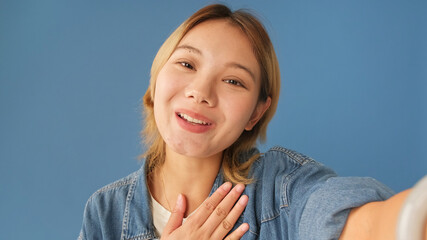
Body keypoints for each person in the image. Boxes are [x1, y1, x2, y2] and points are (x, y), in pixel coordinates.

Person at [78, 4, 425, 240]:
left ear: (256, 113)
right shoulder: (105, 212)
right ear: (156, 80)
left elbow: (363, 223)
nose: (200, 93)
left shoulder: (281, 188)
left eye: (233, 81)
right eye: (186, 64)